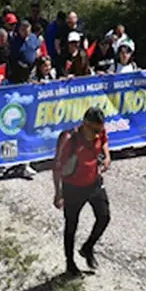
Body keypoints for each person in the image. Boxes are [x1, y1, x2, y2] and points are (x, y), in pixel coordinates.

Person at [53, 106, 112, 277]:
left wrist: (107, 157)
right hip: (73, 188)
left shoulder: (99, 131)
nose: (97, 134)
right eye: (94, 130)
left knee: (104, 217)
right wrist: (58, 193)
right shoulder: (69, 139)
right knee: (71, 226)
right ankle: (70, 263)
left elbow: (104, 141)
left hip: (94, 183)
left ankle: (88, 247)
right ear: (85, 124)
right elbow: (56, 168)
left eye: (100, 130)